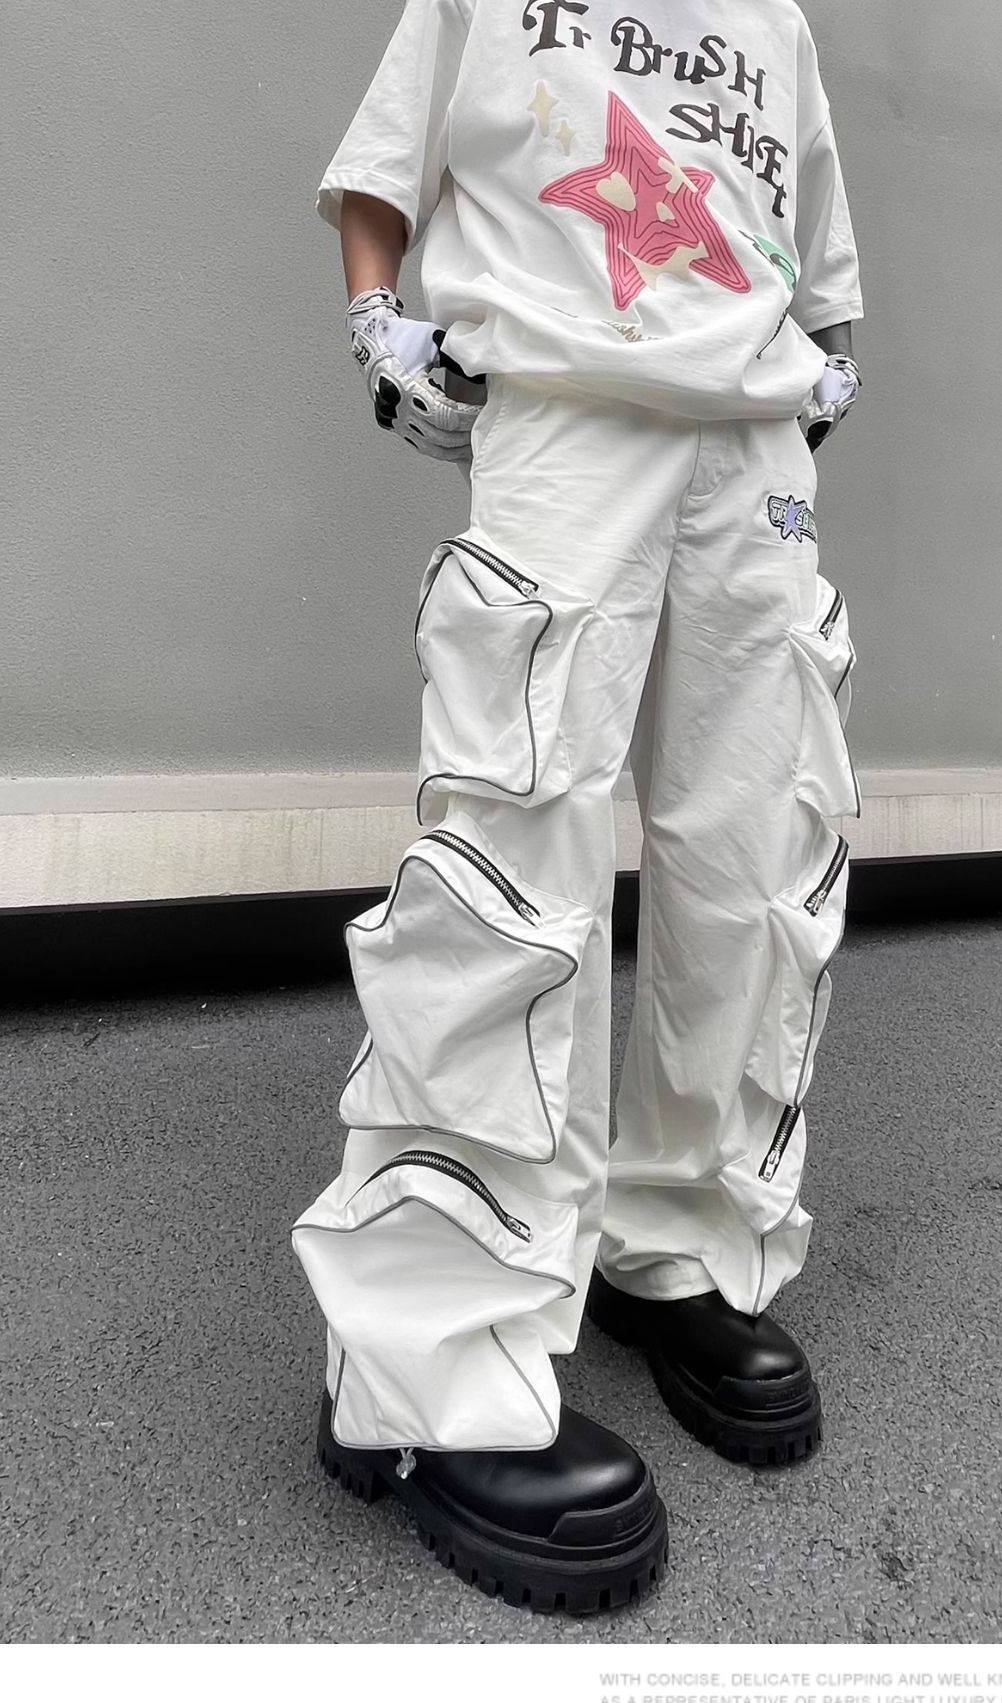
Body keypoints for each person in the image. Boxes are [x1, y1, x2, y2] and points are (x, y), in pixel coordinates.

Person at [293, 0, 864, 1615]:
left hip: (754, 447)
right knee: (515, 838)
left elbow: (821, 266)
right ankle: (426, 1371)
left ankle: (677, 1244)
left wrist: (818, 377)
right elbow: (379, 172)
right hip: (565, 405)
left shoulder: (775, 22)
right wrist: (380, 328)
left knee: (753, 855)